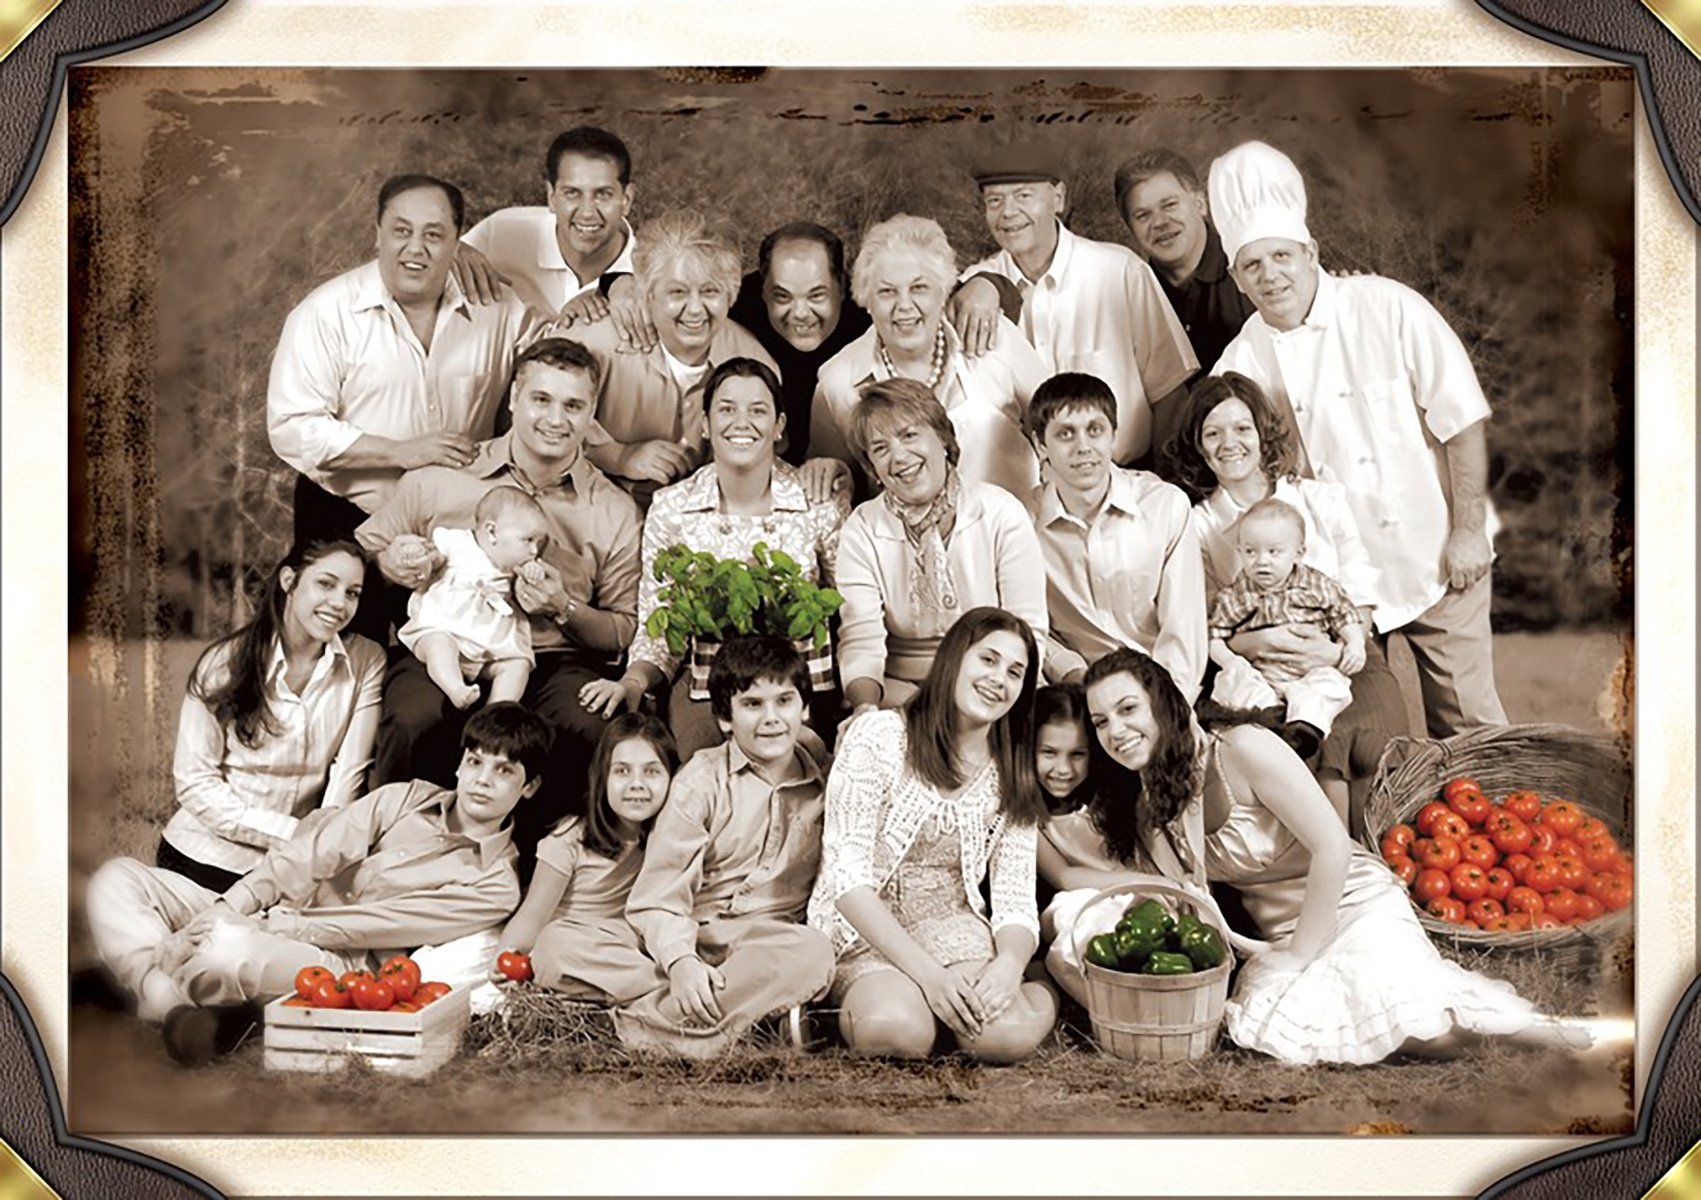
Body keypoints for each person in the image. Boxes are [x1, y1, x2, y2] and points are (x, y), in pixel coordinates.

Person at [1077, 647, 1585, 1064]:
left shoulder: (1244, 750)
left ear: (1164, 704)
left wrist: (1301, 952)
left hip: (1350, 902)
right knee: (1283, 1031)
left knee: (1421, 1025)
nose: (1115, 730)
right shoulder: (1148, 809)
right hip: (1276, 935)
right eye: (1101, 722)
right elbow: (1188, 899)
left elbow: (1332, 846)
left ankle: (1528, 1030)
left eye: (1128, 709)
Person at [1207, 139, 1508, 737]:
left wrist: (1470, 530)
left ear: (1311, 252)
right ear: (1237, 278)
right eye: (1252, 265)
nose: (1270, 276)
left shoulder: (1389, 308)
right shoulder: (1238, 364)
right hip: (1332, 585)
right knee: (1367, 739)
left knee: (1469, 725)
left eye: (1282, 256)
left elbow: (1462, 421)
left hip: (1435, 555)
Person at [85, 703, 550, 1061]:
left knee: (230, 951)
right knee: (118, 877)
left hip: (335, 958)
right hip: (269, 911)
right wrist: (227, 907)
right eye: (475, 762)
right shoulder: (400, 799)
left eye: (504, 770)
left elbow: (375, 924)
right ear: (459, 765)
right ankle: (165, 998)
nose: (482, 780)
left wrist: (275, 927)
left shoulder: (496, 883)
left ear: (528, 788)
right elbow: (308, 854)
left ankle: (150, 977)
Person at [355, 337, 641, 867]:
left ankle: (537, 871)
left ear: (591, 414)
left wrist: (563, 607)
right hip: (448, 643)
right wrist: (387, 565)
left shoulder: (614, 510)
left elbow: (624, 629)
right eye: (541, 399)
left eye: (573, 405)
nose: (555, 419)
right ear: (513, 398)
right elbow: (362, 559)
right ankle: (390, 856)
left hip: (551, 658)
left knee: (590, 726)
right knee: (415, 715)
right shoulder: (441, 480)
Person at [267, 174, 537, 641]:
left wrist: (609, 294)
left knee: (443, 673)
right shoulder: (326, 312)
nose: (416, 248)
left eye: (434, 235)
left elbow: (554, 362)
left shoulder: (499, 309)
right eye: (401, 230)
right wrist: (400, 452)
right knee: (337, 662)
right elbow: (292, 426)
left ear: (459, 242)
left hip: (453, 527)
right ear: (377, 233)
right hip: (344, 515)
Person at [808, 607, 1059, 1062]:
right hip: (864, 930)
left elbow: (1015, 898)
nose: (999, 679)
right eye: (988, 660)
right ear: (954, 658)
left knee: (1004, 1037)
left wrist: (1008, 965)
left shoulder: (1011, 771)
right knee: (897, 1032)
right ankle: (919, 1009)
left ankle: (1045, 991)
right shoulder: (879, 736)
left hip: (951, 925)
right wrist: (931, 978)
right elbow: (847, 881)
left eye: (1015, 672)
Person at [1169, 370, 1406, 833]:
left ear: (1262, 433)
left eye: (1242, 428)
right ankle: (1337, 866)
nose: (1229, 442)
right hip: (1261, 672)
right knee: (1307, 762)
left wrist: (1338, 651)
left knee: (1373, 755)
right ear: (1198, 446)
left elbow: (1358, 587)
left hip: (1346, 658)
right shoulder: (1196, 524)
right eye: (1212, 433)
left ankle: (1386, 867)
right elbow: (1206, 620)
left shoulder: (1319, 500)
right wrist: (1258, 646)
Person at [579, 358, 849, 757]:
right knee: (701, 763)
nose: (742, 422)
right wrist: (633, 681)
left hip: (799, 689)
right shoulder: (672, 507)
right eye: (726, 409)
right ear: (705, 424)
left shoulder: (818, 502)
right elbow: (659, 622)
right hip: (707, 689)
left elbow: (849, 610)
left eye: (758, 410)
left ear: (779, 426)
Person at [615, 637, 836, 1058]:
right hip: (697, 936)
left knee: (813, 952)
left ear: (804, 709)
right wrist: (681, 962)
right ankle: (746, 1019)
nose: (771, 718)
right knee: (563, 947)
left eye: (784, 701)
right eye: (752, 704)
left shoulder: (827, 784)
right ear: (725, 718)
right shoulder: (700, 783)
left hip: (772, 945)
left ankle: (647, 1029)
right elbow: (658, 901)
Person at [153, 540, 385, 895]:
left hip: (295, 867)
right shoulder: (223, 663)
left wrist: (323, 842)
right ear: (289, 580)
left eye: (353, 593)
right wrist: (293, 833)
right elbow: (195, 783)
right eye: (326, 584)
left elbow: (348, 771)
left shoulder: (366, 661)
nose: (339, 603)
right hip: (202, 859)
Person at [954, 149, 1199, 471]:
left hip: (1127, 479)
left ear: (1058, 197)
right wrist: (973, 284)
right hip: (1021, 493)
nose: (1008, 213)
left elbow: (1168, 393)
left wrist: (1164, 487)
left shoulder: (1120, 271)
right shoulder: (971, 293)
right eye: (994, 201)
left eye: (1023, 196)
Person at [834, 378, 1049, 716]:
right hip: (901, 693)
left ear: (944, 440)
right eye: (880, 448)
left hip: (993, 687)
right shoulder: (862, 529)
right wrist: (866, 710)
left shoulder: (1000, 512)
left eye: (909, 435)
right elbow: (861, 642)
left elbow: (1027, 628)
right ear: (872, 468)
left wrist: (976, 700)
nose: (899, 456)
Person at [548, 211, 779, 503]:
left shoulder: (757, 365)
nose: (695, 310)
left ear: (731, 295)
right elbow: (530, 431)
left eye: (710, 292)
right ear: (647, 293)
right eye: (677, 292)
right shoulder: (587, 341)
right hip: (588, 514)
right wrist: (618, 456)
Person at [811, 214, 1046, 500]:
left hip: (1018, 534)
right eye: (886, 292)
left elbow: (1057, 427)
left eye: (919, 288)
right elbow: (835, 481)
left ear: (943, 292)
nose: (904, 306)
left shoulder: (996, 339)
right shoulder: (838, 382)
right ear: (867, 302)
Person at [1024, 372, 1206, 702]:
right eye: (1066, 434)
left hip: (1159, 689)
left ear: (1113, 435)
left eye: (1095, 430)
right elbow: (1025, 625)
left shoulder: (1164, 506)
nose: (1084, 447)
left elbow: (1183, 631)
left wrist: (1169, 710)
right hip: (1072, 692)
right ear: (1041, 446)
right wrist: (1069, 671)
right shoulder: (1022, 522)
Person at [491, 713, 679, 1001]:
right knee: (553, 947)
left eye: (652, 772)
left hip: (627, 942)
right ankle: (665, 992)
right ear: (602, 779)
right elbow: (532, 916)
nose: (637, 784)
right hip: (577, 944)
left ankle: (647, 991)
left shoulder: (670, 835)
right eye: (622, 771)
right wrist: (504, 958)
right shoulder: (569, 839)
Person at [1207, 498, 1365, 762]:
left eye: (1274, 552)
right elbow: (1215, 636)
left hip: (1309, 670)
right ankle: (1268, 718)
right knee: (1232, 680)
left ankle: (1304, 728)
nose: (1261, 562)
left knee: (1328, 686)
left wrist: (1354, 643)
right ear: (1240, 551)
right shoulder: (1237, 594)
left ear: (1299, 553)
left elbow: (1344, 614)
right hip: (1262, 672)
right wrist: (1232, 661)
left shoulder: (1316, 585)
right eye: (1250, 552)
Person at [727, 222, 874, 466]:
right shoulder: (732, 309)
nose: (800, 313)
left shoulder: (872, 313)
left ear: (842, 285)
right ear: (763, 289)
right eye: (782, 296)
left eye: (817, 295)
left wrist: (963, 291)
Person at [394, 486, 551, 711]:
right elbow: (434, 558)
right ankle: (456, 688)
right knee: (438, 644)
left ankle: (495, 712)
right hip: (444, 628)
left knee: (518, 664)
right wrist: (423, 557)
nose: (535, 550)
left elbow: (536, 585)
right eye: (528, 540)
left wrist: (533, 572)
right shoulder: (456, 542)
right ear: (492, 532)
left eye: (538, 542)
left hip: (489, 647)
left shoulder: (516, 566)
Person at [454, 126, 638, 317]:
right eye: (572, 193)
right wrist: (453, 249)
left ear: (626, 200)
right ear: (551, 196)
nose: (587, 213)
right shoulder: (501, 232)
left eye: (603, 194)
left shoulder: (648, 273)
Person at [1112, 148, 1256, 376]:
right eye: (1143, 215)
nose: (1159, 222)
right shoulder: (1130, 297)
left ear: (1200, 203)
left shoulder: (1253, 273)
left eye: (1169, 205)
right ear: (1130, 228)